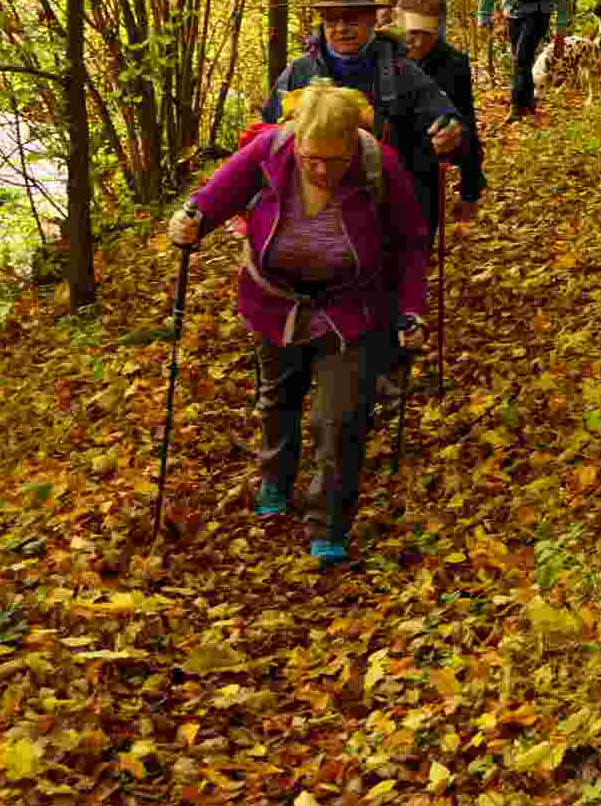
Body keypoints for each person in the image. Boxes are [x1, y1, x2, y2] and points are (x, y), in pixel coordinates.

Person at [167, 84, 428, 564]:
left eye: (335, 160)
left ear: (354, 143)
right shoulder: (270, 150)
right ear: (296, 138)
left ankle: (328, 521)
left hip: (352, 308)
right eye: (312, 159)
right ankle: (275, 479)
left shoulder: (380, 165)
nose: (322, 170)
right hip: (275, 301)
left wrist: (412, 309)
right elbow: (215, 196)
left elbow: (411, 244)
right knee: (278, 398)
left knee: (341, 419)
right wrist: (190, 223)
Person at [265, 0, 462, 245]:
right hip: (315, 214)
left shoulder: (401, 72)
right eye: (332, 20)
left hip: (387, 211)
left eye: (352, 19)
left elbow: (443, 117)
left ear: (372, 19)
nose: (341, 28)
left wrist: (449, 129)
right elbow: (268, 136)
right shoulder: (299, 72)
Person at [394, 0, 485, 220]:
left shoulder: (453, 65)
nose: (415, 42)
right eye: (410, 33)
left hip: (426, 171)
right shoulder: (383, 56)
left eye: (425, 34)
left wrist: (470, 190)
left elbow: (466, 124)